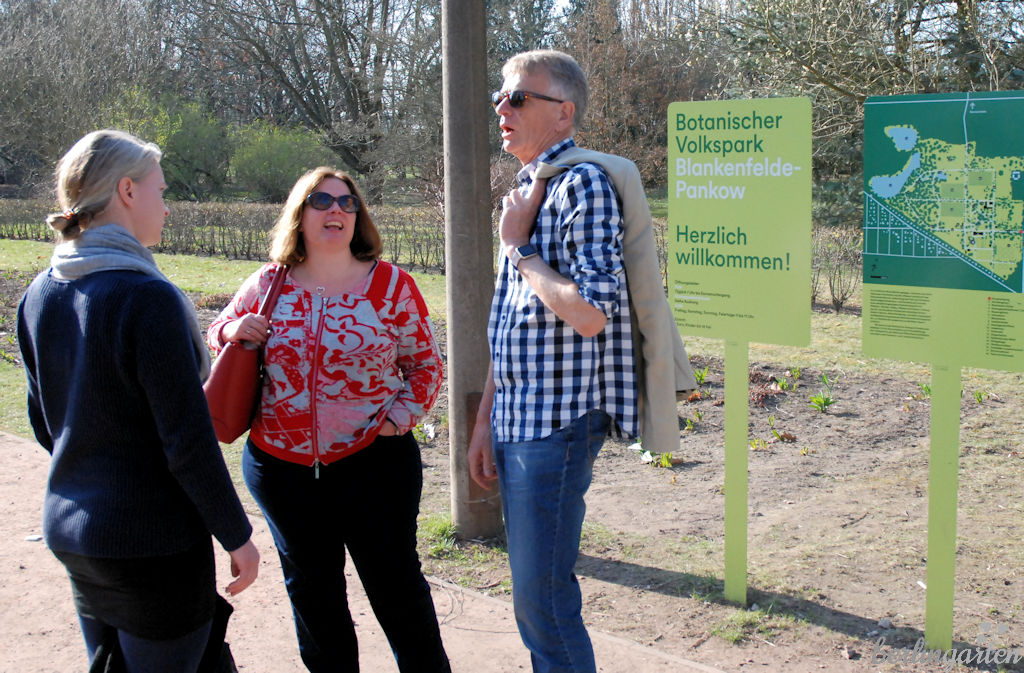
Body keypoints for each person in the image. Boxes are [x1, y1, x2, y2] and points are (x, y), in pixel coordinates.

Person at [467, 50, 696, 673]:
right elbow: (511, 325)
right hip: (520, 418)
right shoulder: (528, 190)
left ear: (563, 113)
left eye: (518, 97)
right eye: (500, 96)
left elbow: (593, 312)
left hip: (557, 424)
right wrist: (485, 421)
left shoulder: (582, 185)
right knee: (535, 597)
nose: (502, 108)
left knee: (541, 601)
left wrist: (518, 250)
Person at [17, 129, 260, 673]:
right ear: (127, 191)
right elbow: (187, 442)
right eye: (161, 191)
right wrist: (236, 534)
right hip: (152, 544)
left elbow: (45, 422)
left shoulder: (40, 292)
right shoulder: (146, 298)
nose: (167, 208)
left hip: (74, 532)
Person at [208, 167, 450, 673]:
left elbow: (426, 366)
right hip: (281, 470)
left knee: (397, 590)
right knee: (314, 596)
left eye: (347, 202)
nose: (336, 210)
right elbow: (219, 330)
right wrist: (232, 328)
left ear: (358, 217)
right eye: (321, 201)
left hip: (374, 466)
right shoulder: (269, 283)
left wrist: (396, 422)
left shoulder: (390, 285)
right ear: (300, 215)